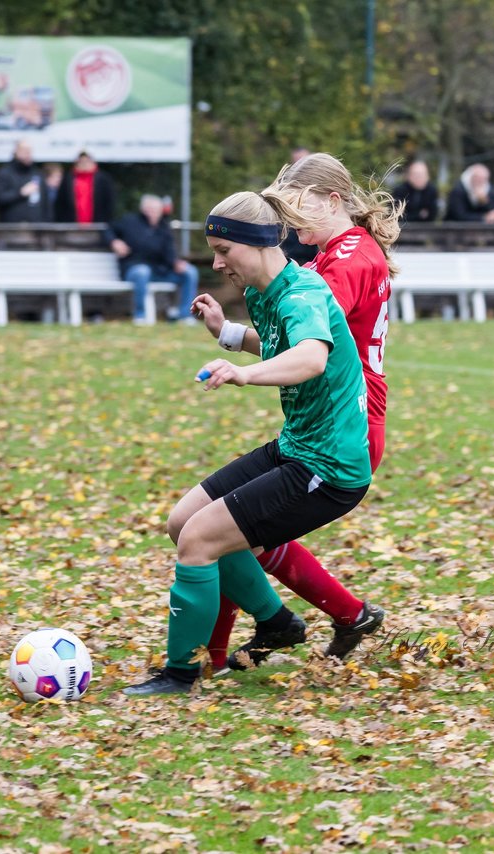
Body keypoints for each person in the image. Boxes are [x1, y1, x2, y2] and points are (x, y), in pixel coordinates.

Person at [122, 191, 373, 696]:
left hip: (329, 469)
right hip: (297, 447)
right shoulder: (265, 291)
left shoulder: (303, 291)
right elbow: (282, 342)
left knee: (199, 542)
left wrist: (242, 374)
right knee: (180, 522)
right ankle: (277, 622)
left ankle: (180, 673)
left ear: (255, 244)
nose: (216, 263)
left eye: (222, 250)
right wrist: (228, 334)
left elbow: (310, 358)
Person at [201, 151, 395, 672]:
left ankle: (231, 649)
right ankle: (334, 619)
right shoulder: (342, 252)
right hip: (330, 412)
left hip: (348, 420)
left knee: (237, 531)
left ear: (333, 200)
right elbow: (288, 341)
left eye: (297, 206)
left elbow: (303, 347)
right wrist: (228, 333)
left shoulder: (349, 260)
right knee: (244, 531)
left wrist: (235, 347)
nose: (289, 221)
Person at [106, 194, 199, 324]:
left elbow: (169, 253)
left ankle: (186, 316)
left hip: (160, 272)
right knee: (143, 271)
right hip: (134, 270)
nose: (153, 212)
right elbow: (108, 229)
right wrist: (114, 242)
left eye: (156, 209)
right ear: (143, 209)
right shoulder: (129, 222)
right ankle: (140, 316)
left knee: (190, 272)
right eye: (149, 209)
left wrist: (175, 263)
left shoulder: (164, 227)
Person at [0, 140, 49, 223]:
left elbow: (46, 203)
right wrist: (20, 193)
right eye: (24, 150)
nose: (28, 154)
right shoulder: (4, 173)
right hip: (11, 228)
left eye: (29, 151)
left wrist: (47, 223)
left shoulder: (37, 174)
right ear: (16, 152)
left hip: (36, 229)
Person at [279, 146, 318, 265]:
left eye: (304, 161)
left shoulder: (319, 185)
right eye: (297, 162)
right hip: (291, 253)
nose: (300, 165)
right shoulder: (284, 186)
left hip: (313, 253)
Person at [54, 151, 116, 225]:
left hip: (98, 224)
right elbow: (60, 203)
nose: (84, 164)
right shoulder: (68, 178)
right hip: (72, 224)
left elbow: (109, 202)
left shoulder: (103, 179)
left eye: (87, 161)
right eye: (81, 162)